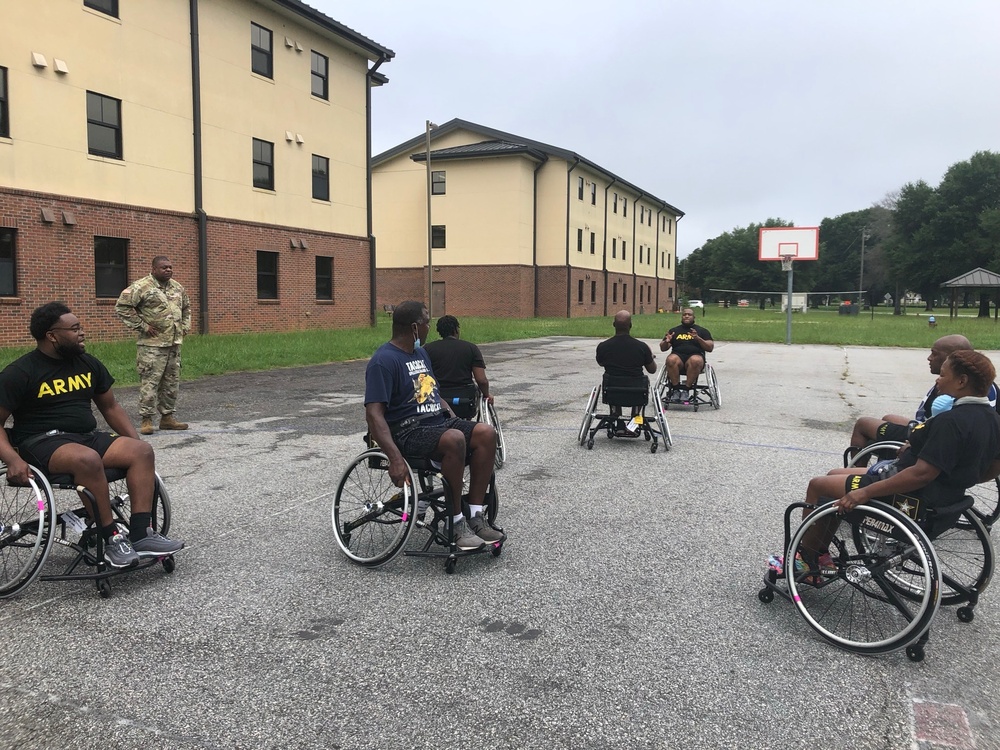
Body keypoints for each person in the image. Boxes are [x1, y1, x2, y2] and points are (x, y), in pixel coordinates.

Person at [0, 302, 184, 568]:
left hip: (84, 436)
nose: (82, 332)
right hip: (42, 442)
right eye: (74, 329)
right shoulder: (20, 373)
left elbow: (110, 407)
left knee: (140, 452)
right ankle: (110, 538)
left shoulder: (87, 363)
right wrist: (13, 460)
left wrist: (133, 439)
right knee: (87, 459)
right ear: (52, 335)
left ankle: (142, 534)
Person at [791, 350, 1000, 571]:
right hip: (944, 496)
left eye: (944, 375)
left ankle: (807, 561)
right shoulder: (993, 420)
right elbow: (993, 467)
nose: (938, 379)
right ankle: (820, 551)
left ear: (962, 381)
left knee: (819, 486)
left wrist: (865, 492)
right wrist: (955, 479)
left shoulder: (951, 421)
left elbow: (921, 474)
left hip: (912, 496)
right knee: (834, 475)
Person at [364, 301, 504, 550]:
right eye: (427, 322)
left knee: (485, 432)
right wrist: (395, 459)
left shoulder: (421, 354)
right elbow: (374, 415)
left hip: (436, 424)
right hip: (408, 431)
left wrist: (451, 415)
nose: (431, 326)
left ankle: (474, 515)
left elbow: (429, 391)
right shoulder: (383, 361)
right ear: (415, 328)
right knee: (454, 439)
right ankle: (456, 520)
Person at [847, 334, 998, 450]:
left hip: (933, 437)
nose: (929, 358)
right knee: (889, 418)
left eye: (935, 353)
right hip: (928, 427)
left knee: (863, 424)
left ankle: (861, 474)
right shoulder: (974, 382)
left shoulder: (967, 389)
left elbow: (956, 430)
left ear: (954, 357)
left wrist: (916, 441)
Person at [115, 256, 191, 435]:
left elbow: (186, 308)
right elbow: (122, 307)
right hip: (151, 345)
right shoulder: (141, 286)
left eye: (170, 267)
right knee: (150, 381)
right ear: (154, 269)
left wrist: (185, 326)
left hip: (173, 344)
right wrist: (142, 326)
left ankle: (167, 418)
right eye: (164, 267)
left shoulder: (177, 287)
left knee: (172, 382)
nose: (168, 270)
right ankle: (146, 420)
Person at [596, 310, 657, 434]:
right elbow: (652, 370)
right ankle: (635, 417)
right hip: (636, 392)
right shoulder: (641, 347)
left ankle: (616, 415)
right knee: (641, 380)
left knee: (613, 378)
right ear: (630, 325)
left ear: (614, 325)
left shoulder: (603, 346)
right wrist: (650, 355)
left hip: (613, 391)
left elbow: (601, 363)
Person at [423, 315, 491, 420]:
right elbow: (481, 380)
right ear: (456, 329)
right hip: (465, 402)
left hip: (438, 399)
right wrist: (487, 395)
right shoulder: (471, 348)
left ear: (439, 331)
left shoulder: (427, 349)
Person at [659, 307, 714, 403]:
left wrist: (698, 338)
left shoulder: (702, 331)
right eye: (684, 314)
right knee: (671, 359)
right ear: (681, 316)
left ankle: (686, 390)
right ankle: (675, 390)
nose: (687, 316)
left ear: (694, 317)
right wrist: (666, 341)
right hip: (678, 358)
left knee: (695, 360)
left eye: (689, 314)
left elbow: (710, 348)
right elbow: (663, 348)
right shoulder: (674, 331)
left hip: (695, 357)